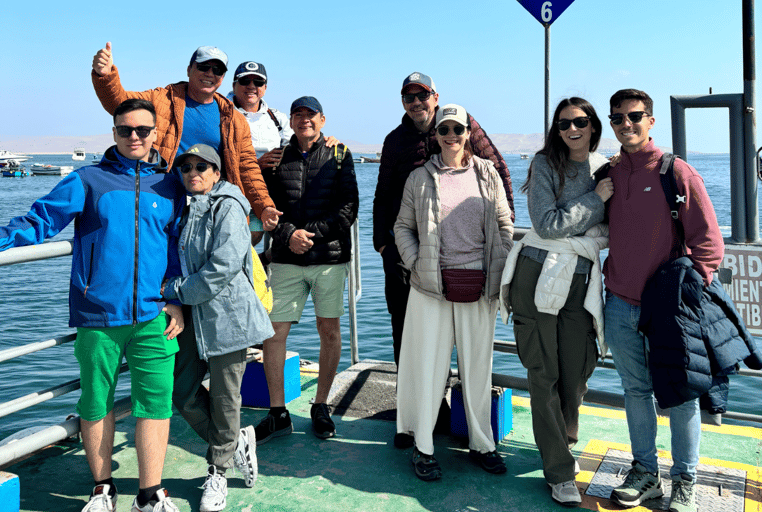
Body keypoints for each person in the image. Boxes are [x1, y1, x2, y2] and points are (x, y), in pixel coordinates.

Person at [0, 99, 185, 512]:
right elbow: (39, 220)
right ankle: (103, 490)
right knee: (95, 403)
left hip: (156, 316)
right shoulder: (88, 179)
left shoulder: (171, 186)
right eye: (124, 130)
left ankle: (150, 494)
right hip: (97, 313)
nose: (133, 137)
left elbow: (176, 249)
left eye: (142, 130)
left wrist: (175, 299)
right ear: (113, 132)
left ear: (156, 134)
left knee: (155, 406)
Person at [373, 72, 515, 448]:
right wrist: (387, 247)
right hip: (414, 263)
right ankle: (418, 423)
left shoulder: (468, 131)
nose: (416, 103)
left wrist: (498, 250)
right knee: (410, 343)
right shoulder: (396, 142)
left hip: (467, 267)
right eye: (409, 97)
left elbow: (498, 176)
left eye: (422, 96)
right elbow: (384, 195)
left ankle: (472, 431)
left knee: (472, 357)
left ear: (436, 97)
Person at [603, 89, 723, 512]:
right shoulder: (610, 174)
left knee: (681, 395)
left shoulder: (677, 172)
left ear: (651, 120)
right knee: (635, 390)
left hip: (670, 311)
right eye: (618, 118)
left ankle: (685, 480)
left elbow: (708, 243)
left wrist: (692, 290)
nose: (626, 124)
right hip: (619, 304)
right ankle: (645, 473)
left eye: (634, 116)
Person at [500, 97, 612, 506]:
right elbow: (547, 226)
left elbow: (612, 226)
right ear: (556, 129)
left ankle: (563, 442)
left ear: (593, 125)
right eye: (564, 123)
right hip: (537, 272)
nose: (572, 129)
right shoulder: (545, 164)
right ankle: (560, 472)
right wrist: (596, 200)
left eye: (580, 121)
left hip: (581, 279)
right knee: (543, 371)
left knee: (578, 367)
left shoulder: (607, 167)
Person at [162, 144, 275, 512]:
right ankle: (235, 441)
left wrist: (176, 292)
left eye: (202, 166)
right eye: (186, 167)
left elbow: (223, 266)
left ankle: (218, 471)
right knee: (181, 391)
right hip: (192, 317)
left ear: (217, 172)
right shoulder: (183, 206)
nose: (193, 172)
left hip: (228, 316)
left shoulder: (228, 206)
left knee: (226, 397)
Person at [91, 43, 281, 233]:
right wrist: (105, 76)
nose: (210, 73)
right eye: (204, 67)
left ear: (222, 78)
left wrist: (264, 207)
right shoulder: (161, 100)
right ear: (189, 69)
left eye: (217, 70)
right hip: (163, 205)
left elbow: (247, 167)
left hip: (211, 213)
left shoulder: (234, 118)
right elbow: (120, 104)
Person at [255, 96, 358, 444]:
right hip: (286, 260)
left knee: (328, 330)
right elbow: (267, 209)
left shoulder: (339, 155)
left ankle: (321, 405)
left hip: (329, 260)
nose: (304, 121)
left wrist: (309, 235)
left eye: (310, 115)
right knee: (274, 332)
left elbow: (348, 208)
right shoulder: (275, 160)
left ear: (322, 120)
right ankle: (277, 412)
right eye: (298, 115)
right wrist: (288, 235)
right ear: (291, 121)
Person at [227, 60, 340, 247]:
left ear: (265, 87)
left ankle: (265, 263)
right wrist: (256, 164)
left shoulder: (276, 118)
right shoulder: (221, 113)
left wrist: (328, 141)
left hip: (270, 193)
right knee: (237, 241)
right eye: (245, 81)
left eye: (258, 82)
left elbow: (302, 144)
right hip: (233, 189)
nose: (251, 87)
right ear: (234, 85)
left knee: (259, 235)